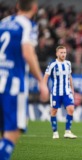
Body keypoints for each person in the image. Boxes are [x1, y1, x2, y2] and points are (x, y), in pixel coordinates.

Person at [0, 0, 49, 159]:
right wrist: (41, 81)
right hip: (12, 84)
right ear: (34, 8)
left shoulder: (3, 23)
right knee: (12, 133)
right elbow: (28, 52)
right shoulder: (28, 25)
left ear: (17, 6)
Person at [43, 46, 77, 139]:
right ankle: (55, 132)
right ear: (57, 53)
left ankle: (67, 131)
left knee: (71, 109)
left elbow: (70, 77)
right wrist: (44, 88)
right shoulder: (52, 65)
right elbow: (45, 77)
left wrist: (72, 89)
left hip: (67, 92)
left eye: (64, 52)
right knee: (54, 111)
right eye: (61, 52)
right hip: (56, 93)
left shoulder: (68, 64)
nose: (63, 54)